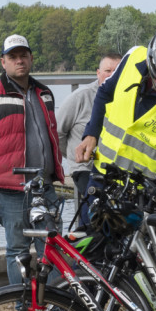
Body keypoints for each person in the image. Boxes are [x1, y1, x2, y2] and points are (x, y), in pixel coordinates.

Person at [0, 34, 64, 285]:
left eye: (23, 55)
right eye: (13, 57)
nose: (19, 61)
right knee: (18, 252)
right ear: (3, 62)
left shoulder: (45, 93)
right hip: (11, 190)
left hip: (45, 187)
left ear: (31, 59)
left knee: (51, 250)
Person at [76, 26, 156, 214]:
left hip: (146, 196)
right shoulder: (133, 57)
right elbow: (104, 92)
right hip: (103, 177)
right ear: (150, 64)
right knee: (86, 239)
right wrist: (91, 134)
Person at [57, 53, 121, 207]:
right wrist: (74, 156)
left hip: (116, 170)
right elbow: (57, 133)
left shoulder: (127, 100)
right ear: (98, 73)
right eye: (107, 71)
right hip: (85, 168)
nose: (112, 75)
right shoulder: (80, 97)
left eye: (117, 71)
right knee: (98, 206)